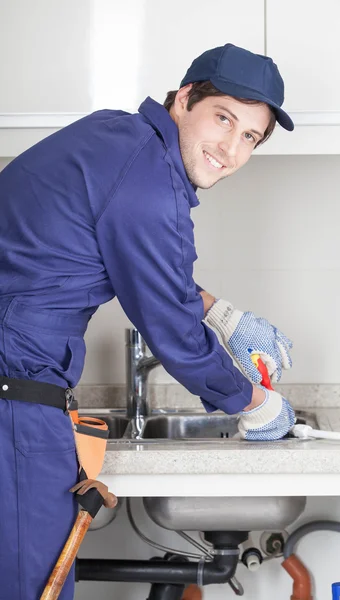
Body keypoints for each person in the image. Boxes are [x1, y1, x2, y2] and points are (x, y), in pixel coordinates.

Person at [0, 43, 295, 599]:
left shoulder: (119, 138)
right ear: (185, 99)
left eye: (250, 137)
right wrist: (253, 403)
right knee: (31, 589)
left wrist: (224, 314)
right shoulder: (148, 181)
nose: (230, 149)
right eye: (223, 119)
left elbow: (143, 263)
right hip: (12, 398)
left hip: (13, 387)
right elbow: (174, 333)